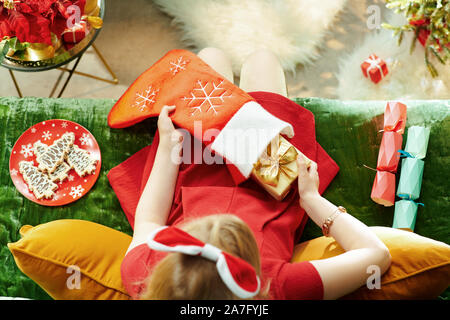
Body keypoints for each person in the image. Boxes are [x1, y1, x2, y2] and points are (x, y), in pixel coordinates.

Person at [120, 48, 391, 300]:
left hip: (195, 171)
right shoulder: (277, 287)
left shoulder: (144, 274)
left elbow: (150, 222)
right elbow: (375, 254)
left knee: (209, 58)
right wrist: (311, 199)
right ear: (249, 269)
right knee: (262, 61)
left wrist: (168, 149)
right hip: (271, 173)